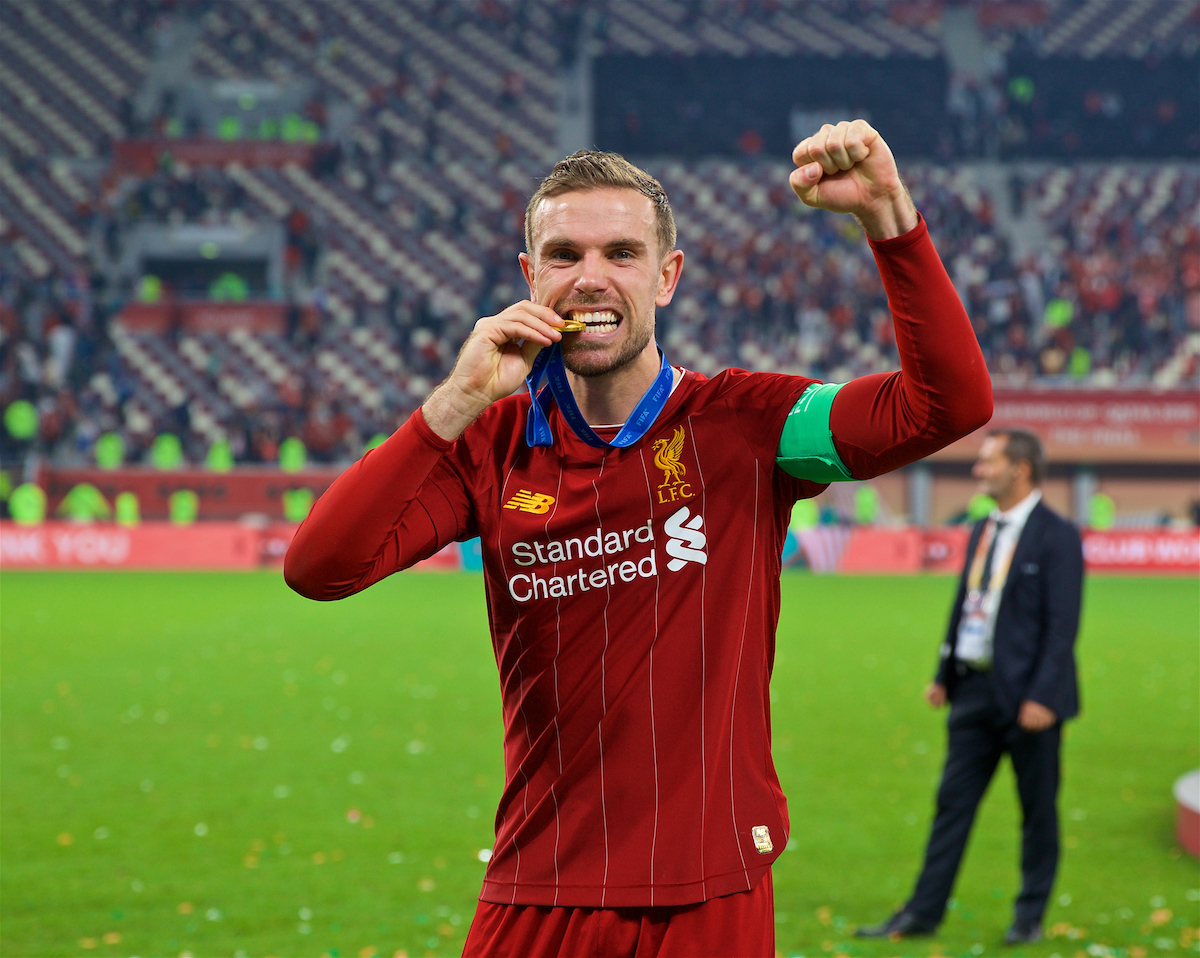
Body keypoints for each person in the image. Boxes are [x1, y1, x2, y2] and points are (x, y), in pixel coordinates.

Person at [285, 120, 993, 957]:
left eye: (621, 253)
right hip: (537, 883)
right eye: (564, 256)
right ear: (528, 276)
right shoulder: (488, 445)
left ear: (667, 276)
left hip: (706, 892)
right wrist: (454, 402)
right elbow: (319, 568)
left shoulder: (749, 423)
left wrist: (889, 218)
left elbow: (947, 406)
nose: (591, 279)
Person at [856, 428, 1083, 946]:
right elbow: (967, 604)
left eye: (988, 461)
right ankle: (922, 913)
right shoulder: (984, 528)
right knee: (951, 807)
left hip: (1030, 701)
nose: (978, 470)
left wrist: (1043, 697)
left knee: (1037, 813)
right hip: (974, 694)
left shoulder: (1057, 534)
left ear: (1019, 469)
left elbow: (1062, 627)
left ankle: (1029, 917)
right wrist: (944, 674)